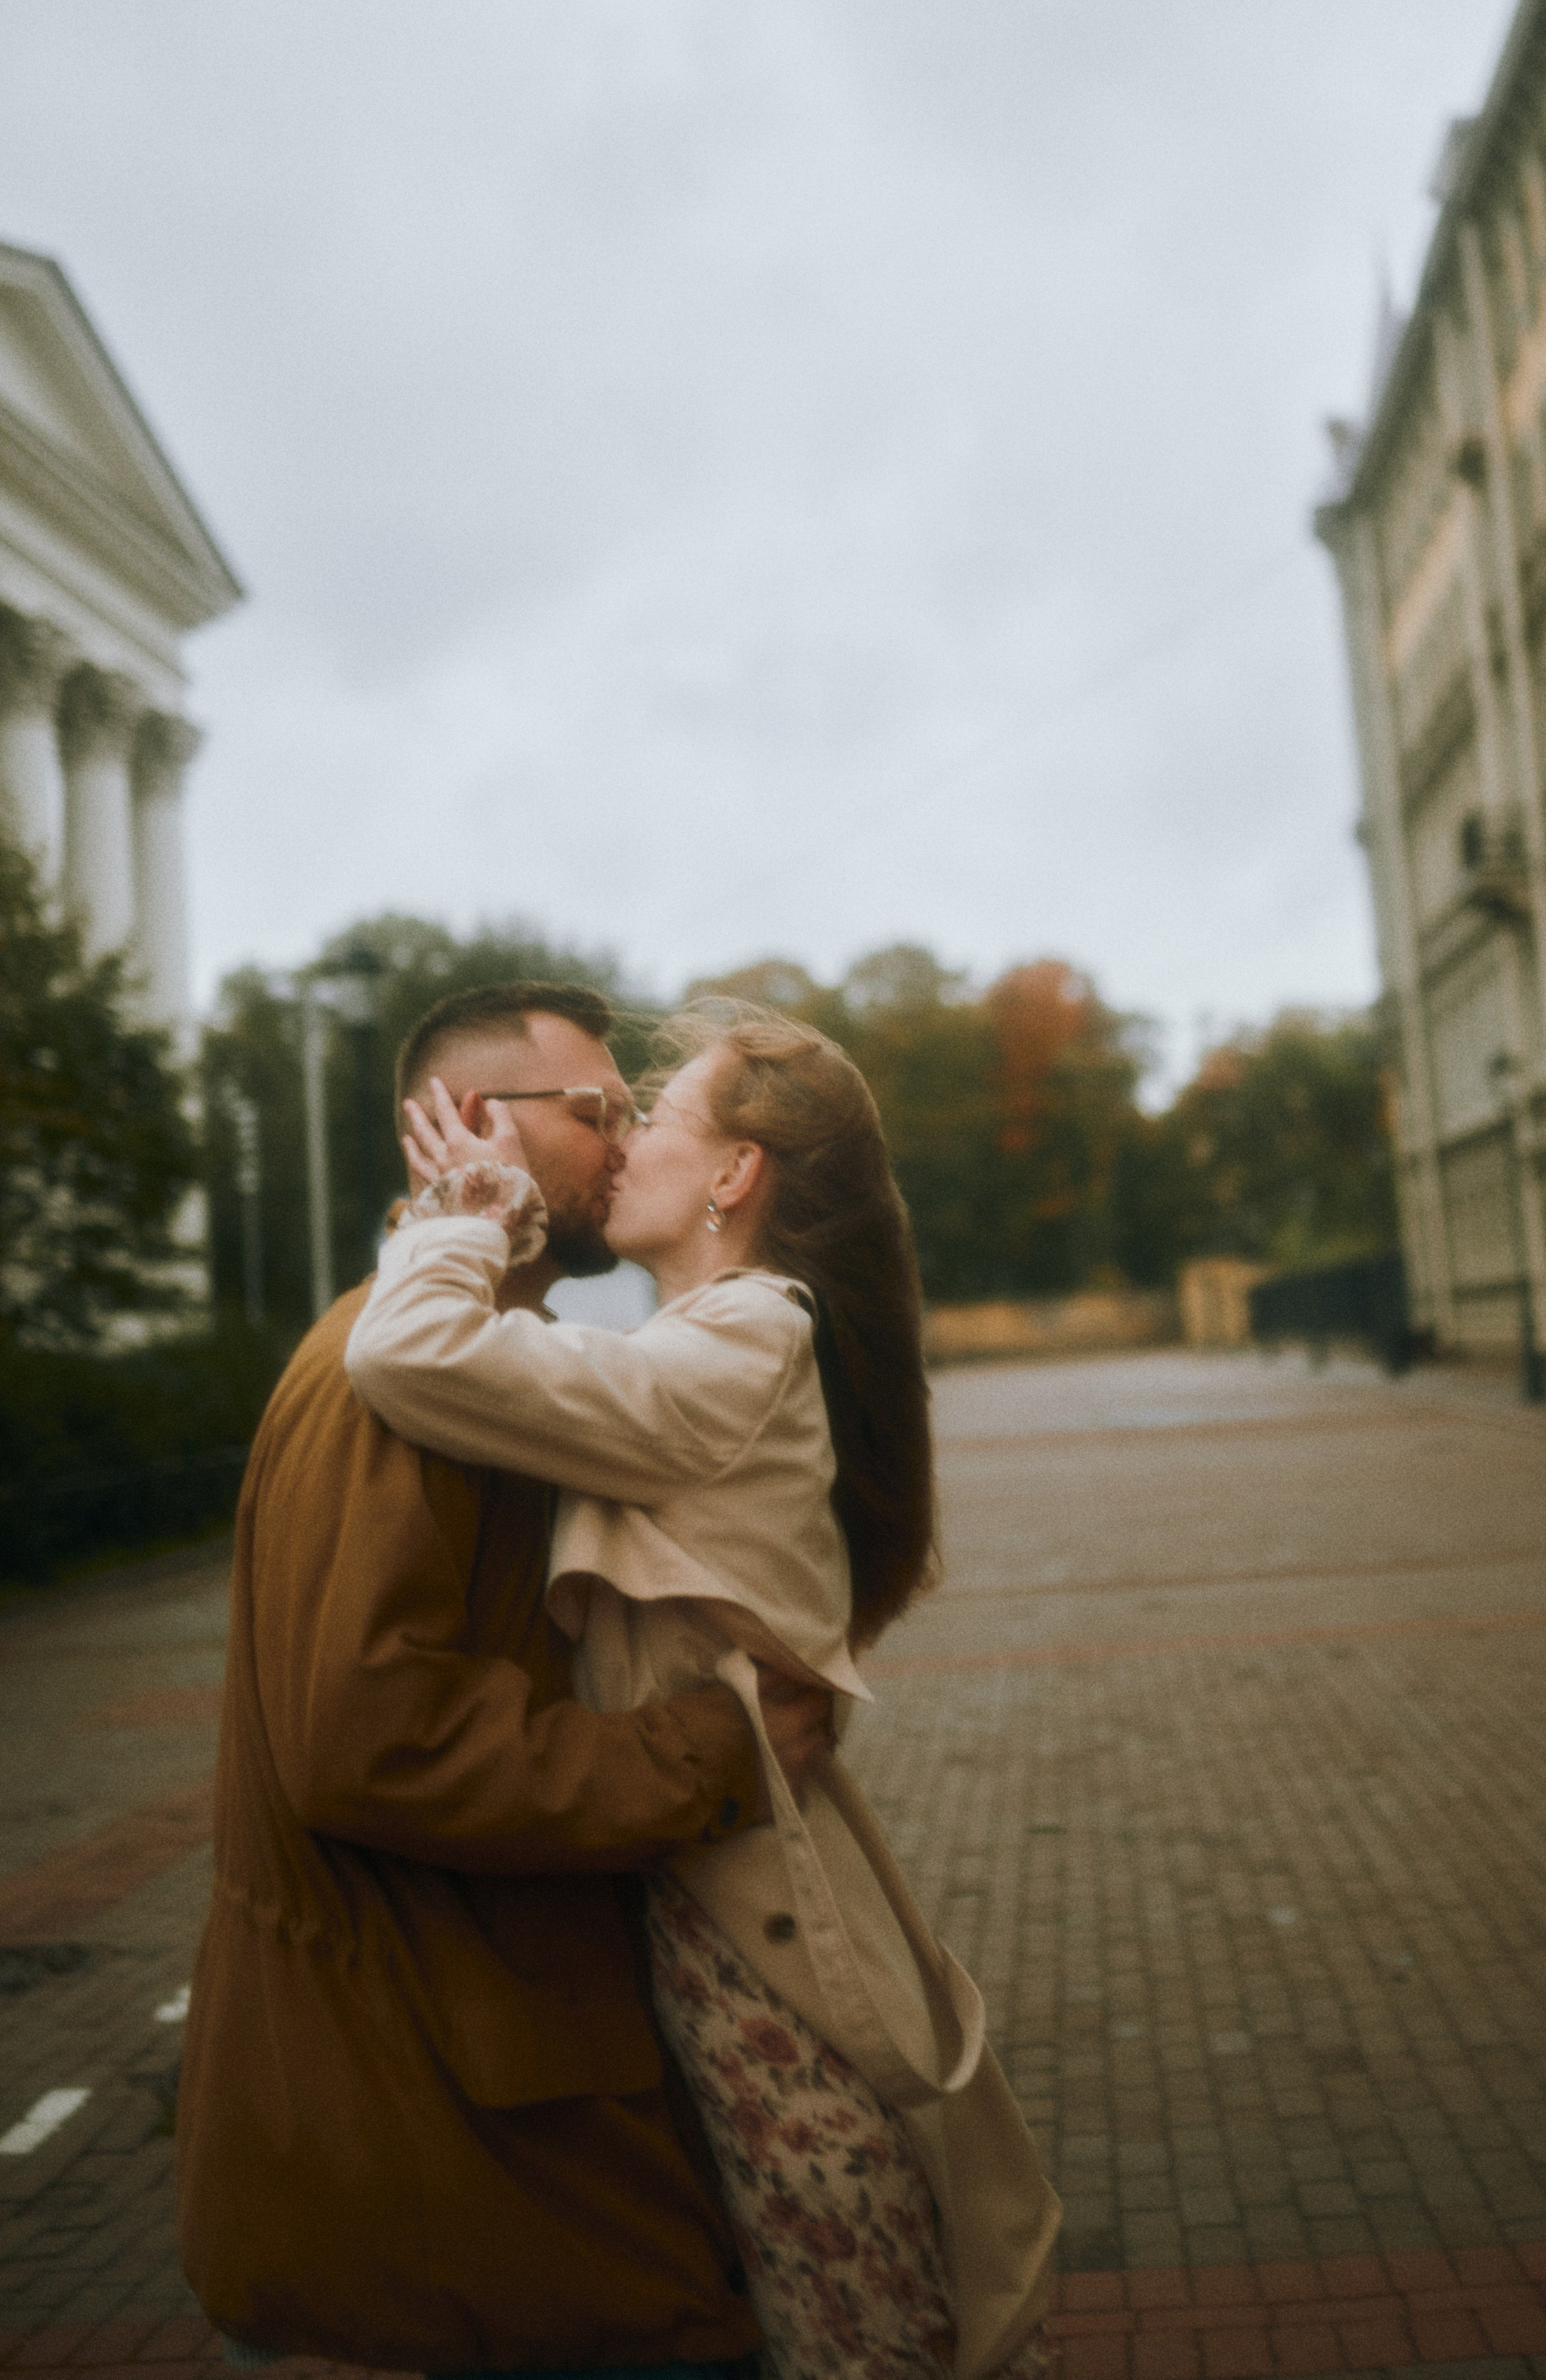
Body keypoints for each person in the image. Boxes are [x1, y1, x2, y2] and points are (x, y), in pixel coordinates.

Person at [344, 1001, 1060, 2380]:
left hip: (764, 1944)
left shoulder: (747, 1337)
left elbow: (408, 1353)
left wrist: (463, 1208)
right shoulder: (698, 1346)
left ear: (735, 1176)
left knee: (859, 2334)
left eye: (654, 1119)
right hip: (712, 1917)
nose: (620, 1148)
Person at [176, 980, 835, 2380]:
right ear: (477, 1124)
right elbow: (370, 1738)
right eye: (596, 1111)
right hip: (455, 2136)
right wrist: (711, 1751)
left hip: (477, 2092)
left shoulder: (469, 1363)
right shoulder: (393, 1382)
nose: (620, 1142)